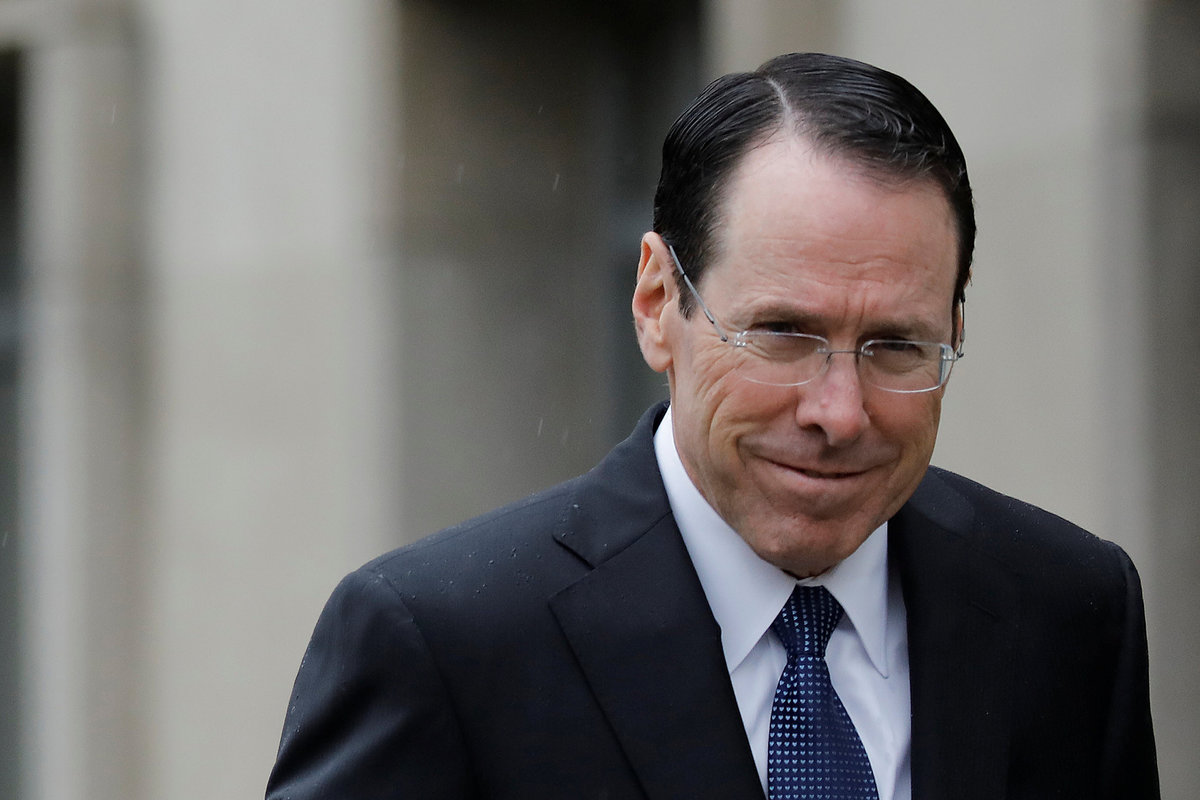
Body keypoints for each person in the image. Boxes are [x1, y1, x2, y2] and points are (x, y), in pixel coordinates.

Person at [265, 53, 1158, 800]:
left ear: (954, 332)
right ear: (658, 304)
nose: (839, 412)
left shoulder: (1068, 612)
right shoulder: (446, 643)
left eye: (896, 346)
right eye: (783, 334)